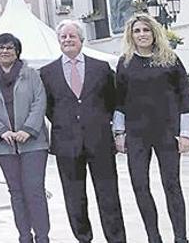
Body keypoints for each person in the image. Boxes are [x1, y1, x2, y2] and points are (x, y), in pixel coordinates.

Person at [40, 20, 125, 242]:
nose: (68, 40)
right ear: (58, 42)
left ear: (81, 40)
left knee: (108, 195)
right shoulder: (47, 73)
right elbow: (49, 108)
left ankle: (116, 238)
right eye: (63, 37)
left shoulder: (102, 68)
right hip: (66, 144)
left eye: (72, 36)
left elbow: (112, 101)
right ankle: (83, 237)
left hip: (99, 141)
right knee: (74, 197)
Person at [114, 13, 189, 243]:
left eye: (146, 30)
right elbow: (119, 99)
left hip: (167, 133)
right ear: (131, 35)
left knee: (172, 185)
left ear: (154, 32)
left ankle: (181, 238)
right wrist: (119, 133)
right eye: (137, 31)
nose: (142, 35)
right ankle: (153, 238)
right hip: (137, 134)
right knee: (140, 185)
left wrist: (185, 133)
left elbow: (185, 95)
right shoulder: (125, 63)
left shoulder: (170, 59)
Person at [0, 33, 50, 243]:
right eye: (1, 48)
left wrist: (27, 129)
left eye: (10, 47)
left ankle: (42, 236)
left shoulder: (30, 74)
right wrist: (1, 131)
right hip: (4, 145)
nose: (5, 51)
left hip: (33, 144)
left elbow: (39, 101)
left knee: (35, 191)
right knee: (16, 193)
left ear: (17, 51)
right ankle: (24, 236)